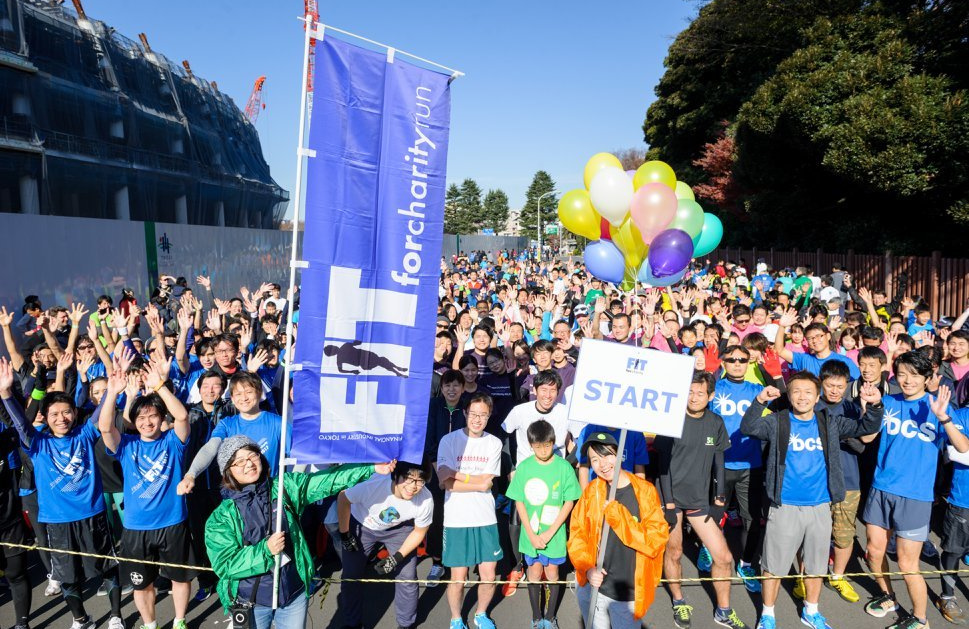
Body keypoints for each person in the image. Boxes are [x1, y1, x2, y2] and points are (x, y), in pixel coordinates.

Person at [741, 372, 883, 629]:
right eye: (796, 391)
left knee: (816, 565)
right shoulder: (777, 421)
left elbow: (866, 428)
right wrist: (760, 401)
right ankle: (768, 614)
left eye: (808, 392)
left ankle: (811, 611)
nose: (802, 397)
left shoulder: (829, 422)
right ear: (789, 395)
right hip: (784, 506)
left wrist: (874, 406)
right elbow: (748, 427)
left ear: (817, 397)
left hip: (820, 506)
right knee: (773, 565)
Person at [205, 435, 389, 629]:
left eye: (252, 455)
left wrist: (370, 468)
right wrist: (265, 551)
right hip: (250, 601)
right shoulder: (221, 518)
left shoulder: (285, 487)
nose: (249, 464)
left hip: (294, 594)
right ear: (227, 471)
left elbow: (328, 481)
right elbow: (224, 565)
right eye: (239, 461)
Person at [0, 357, 125, 629]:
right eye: (54, 414)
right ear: (46, 417)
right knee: (67, 576)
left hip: (92, 516)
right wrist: (6, 393)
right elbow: (21, 424)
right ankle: (81, 619)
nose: (61, 419)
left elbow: (99, 415)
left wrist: (113, 392)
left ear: (74, 413)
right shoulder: (37, 443)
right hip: (57, 522)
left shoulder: (85, 434)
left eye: (66, 412)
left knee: (106, 566)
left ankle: (116, 615)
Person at [862, 350, 969, 629]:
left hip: (915, 496)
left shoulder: (938, 406)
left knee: (908, 564)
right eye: (902, 374)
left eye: (915, 374)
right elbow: (867, 437)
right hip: (880, 489)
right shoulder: (887, 401)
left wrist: (943, 418)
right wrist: (871, 407)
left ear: (927, 377)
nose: (908, 380)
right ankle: (888, 597)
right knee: (874, 551)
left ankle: (920, 619)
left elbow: (963, 447)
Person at [99, 356, 196, 629]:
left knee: (180, 578)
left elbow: (182, 416)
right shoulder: (126, 445)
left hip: (173, 523)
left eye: (153, 416)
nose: (147, 422)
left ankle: (179, 621)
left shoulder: (173, 442)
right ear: (134, 421)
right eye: (141, 418)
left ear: (161, 418)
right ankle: (149, 624)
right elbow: (105, 427)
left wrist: (160, 386)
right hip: (136, 528)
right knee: (142, 584)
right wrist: (112, 393)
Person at [655, 371, 745, 629]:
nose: (694, 397)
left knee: (723, 557)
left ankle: (724, 611)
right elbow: (662, 466)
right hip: (671, 499)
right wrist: (668, 505)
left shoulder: (715, 422)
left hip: (699, 500)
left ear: (711, 396)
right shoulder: (671, 420)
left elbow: (719, 462)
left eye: (700, 393)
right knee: (674, 552)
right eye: (690, 392)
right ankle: (679, 601)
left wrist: (719, 500)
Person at [568, 432, 668, 629]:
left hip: (626, 594)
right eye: (595, 459)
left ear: (619, 454)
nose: (602, 464)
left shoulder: (645, 492)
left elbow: (655, 542)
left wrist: (620, 518)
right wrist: (587, 568)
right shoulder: (592, 491)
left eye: (607, 455)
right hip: (593, 586)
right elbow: (577, 535)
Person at [337, 460, 434, 629]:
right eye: (408, 478)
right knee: (351, 574)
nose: (413, 487)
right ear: (396, 476)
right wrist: (344, 534)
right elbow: (343, 498)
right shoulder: (373, 483)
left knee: (407, 576)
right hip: (362, 523)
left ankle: (406, 624)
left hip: (399, 529)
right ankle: (352, 624)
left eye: (420, 481)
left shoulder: (425, 499)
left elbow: (419, 532)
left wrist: (396, 558)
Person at [505, 420, 581, 629]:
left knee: (553, 573)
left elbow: (569, 501)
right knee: (535, 572)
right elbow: (519, 502)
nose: (543, 450)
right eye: (538, 447)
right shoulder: (525, 468)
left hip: (554, 535)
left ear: (553, 442)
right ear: (531, 445)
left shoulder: (563, 467)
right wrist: (530, 534)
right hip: (530, 535)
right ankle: (537, 617)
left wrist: (550, 533)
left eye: (547, 445)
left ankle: (550, 616)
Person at [436, 393, 503, 629]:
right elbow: (446, 483)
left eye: (482, 415)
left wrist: (458, 474)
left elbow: (487, 483)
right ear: (465, 413)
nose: (477, 419)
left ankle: (481, 614)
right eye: (473, 414)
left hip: (485, 518)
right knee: (458, 577)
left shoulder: (494, 443)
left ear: (489, 416)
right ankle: (456, 619)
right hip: (456, 519)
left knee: (489, 574)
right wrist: (476, 481)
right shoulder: (448, 441)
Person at [178, 371, 284, 495]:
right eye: (238, 394)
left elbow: (298, 455)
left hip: (271, 493)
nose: (244, 398)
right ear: (232, 398)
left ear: (259, 393)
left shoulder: (278, 423)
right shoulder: (226, 424)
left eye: (249, 392)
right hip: (237, 496)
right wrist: (191, 475)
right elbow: (211, 447)